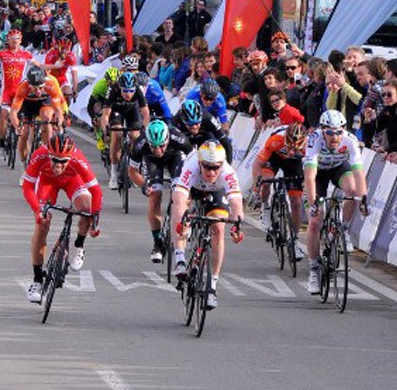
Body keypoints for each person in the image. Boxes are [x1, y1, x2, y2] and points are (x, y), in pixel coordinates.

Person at [21, 134, 102, 303]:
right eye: (54, 160)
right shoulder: (40, 155)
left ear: (71, 157)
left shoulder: (79, 159)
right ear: (48, 154)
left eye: (63, 161)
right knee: (42, 225)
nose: (58, 165)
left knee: (86, 210)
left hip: (73, 181)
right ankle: (37, 280)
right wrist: (37, 211)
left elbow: (96, 192)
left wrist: (94, 222)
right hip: (47, 182)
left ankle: (78, 245)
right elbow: (28, 186)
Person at [170, 140, 244, 310]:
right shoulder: (191, 166)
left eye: (215, 167)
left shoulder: (227, 172)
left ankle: (212, 287)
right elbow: (180, 199)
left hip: (215, 192)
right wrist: (182, 220)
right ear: (199, 163)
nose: (211, 172)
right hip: (193, 188)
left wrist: (237, 225)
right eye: (207, 167)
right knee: (179, 209)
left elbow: (236, 202)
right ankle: (180, 258)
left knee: (218, 228)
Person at [303, 110, 367, 295]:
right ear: (323, 131)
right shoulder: (314, 139)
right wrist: (314, 202)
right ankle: (314, 269)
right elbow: (310, 176)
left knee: (353, 190)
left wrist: (363, 199)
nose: (335, 136)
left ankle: (343, 229)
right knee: (315, 221)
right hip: (318, 173)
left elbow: (358, 172)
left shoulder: (350, 140)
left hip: (339, 167)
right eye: (330, 132)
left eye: (338, 132)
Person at [129, 119, 193, 262]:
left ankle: (185, 216)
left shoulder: (179, 138)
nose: (158, 151)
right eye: (154, 147)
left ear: (168, 139)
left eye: (162, 146)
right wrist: (144, 185)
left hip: (175, 158)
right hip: (152, 162)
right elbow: (132, 172)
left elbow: (195, 165)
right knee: (154, 197)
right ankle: (158, 243)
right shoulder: (140, 144)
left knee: (180, 193)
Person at [252, 122, 308, 262]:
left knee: (296, 203)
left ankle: (294, 241)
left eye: (295, 149)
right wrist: (256, 186)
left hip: (294, 165)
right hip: (275, 157)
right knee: (267, 181)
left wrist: (307, 183)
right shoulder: (276, 139)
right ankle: (265, 207)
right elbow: (257, 164)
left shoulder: (309, 147)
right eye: (288, 147)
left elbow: (312, 171)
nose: (290, 152)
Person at [100, 72, 150, 189]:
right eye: (125, 91)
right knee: (116, 134)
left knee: (135, 137)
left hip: (132, 110)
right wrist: (106, 128)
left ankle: (135, 169)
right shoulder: (113, 89)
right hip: (116, 111)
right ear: (119, 87)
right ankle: (113, 175)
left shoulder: (138, 90)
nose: (128, 94)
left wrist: (145, 128)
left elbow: (146, 114)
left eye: (131, 91)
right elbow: (106, 114)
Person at [9, 66, 65, 168]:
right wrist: (17, 126)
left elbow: (58, 110)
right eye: (35, 88)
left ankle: (49, 154)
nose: (38, 91)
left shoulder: (51, 84)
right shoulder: (23, 87)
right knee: (24, 133)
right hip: (27, 105)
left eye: (41, 87)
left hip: (44, 103)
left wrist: (59, 122)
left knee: (47, 120)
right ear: (29, 85)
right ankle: (24, 165)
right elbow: (13, 112)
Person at [43, 38, 78, 102]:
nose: (64, 52)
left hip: (62, 78)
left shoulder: (71, 56)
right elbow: (46, 72)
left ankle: (65, 110)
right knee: (52, 99)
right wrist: (54, 66)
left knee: (67, 96)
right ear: (58, 48)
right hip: (51, 78)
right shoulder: (51, 55)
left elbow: (74, 74)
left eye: (67, 50)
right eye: (62, 50)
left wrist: (75, 90)